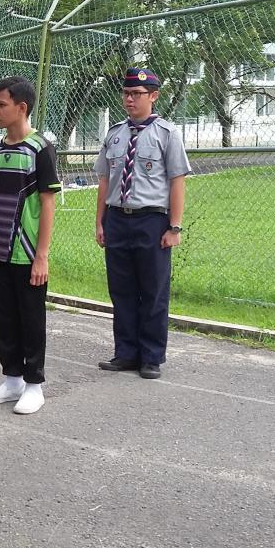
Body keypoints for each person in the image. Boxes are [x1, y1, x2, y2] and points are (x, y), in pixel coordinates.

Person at [95, 68, 190, 380]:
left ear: (153, 95)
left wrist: (174, 227)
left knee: (153, 290)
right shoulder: (115, 134)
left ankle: (151, 357)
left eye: (136, 94)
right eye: (126, 93)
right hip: (118, 219)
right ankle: (125, 352)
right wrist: (101, 222)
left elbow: (177, 182)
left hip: (152, 219)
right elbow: (105, 181)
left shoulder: (167, 134)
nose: (129, 99)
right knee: (121, 290)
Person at [0, 75, 60, 416]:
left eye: (1, 105)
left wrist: (42, 256)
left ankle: (34, 384)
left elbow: (48, 203)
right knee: (4, 318)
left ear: (21, 107)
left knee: (30, 318)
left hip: (26, 253)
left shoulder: (40, 148)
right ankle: (11, 379)